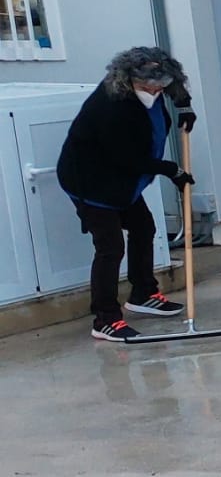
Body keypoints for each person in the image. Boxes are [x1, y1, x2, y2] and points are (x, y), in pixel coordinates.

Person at [55, 46, 199, 342]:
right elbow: (126, 157)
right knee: (110, 248)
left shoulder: (158, 83)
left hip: (124, 181)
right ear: (130, 79)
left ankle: (143, 292)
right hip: (92, 182)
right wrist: (171, 170)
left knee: (144, 227)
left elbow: (174, 85)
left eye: (161, 84)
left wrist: (184, 106)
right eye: (149, 85)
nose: (156, 90)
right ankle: (105, 319)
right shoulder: (112, 105)